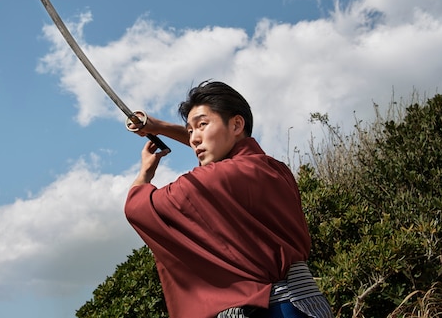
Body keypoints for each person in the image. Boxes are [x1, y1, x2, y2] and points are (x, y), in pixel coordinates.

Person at [124, 81, 333, 318]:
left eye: (202, 125)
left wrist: (145, 174)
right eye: (190, 131)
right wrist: (159, 127)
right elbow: (220, 144)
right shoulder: (274, 168)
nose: (194, 139)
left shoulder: (213, 179)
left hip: (268, 309)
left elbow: (137, 207)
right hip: (307, 304)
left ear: (236, 124)